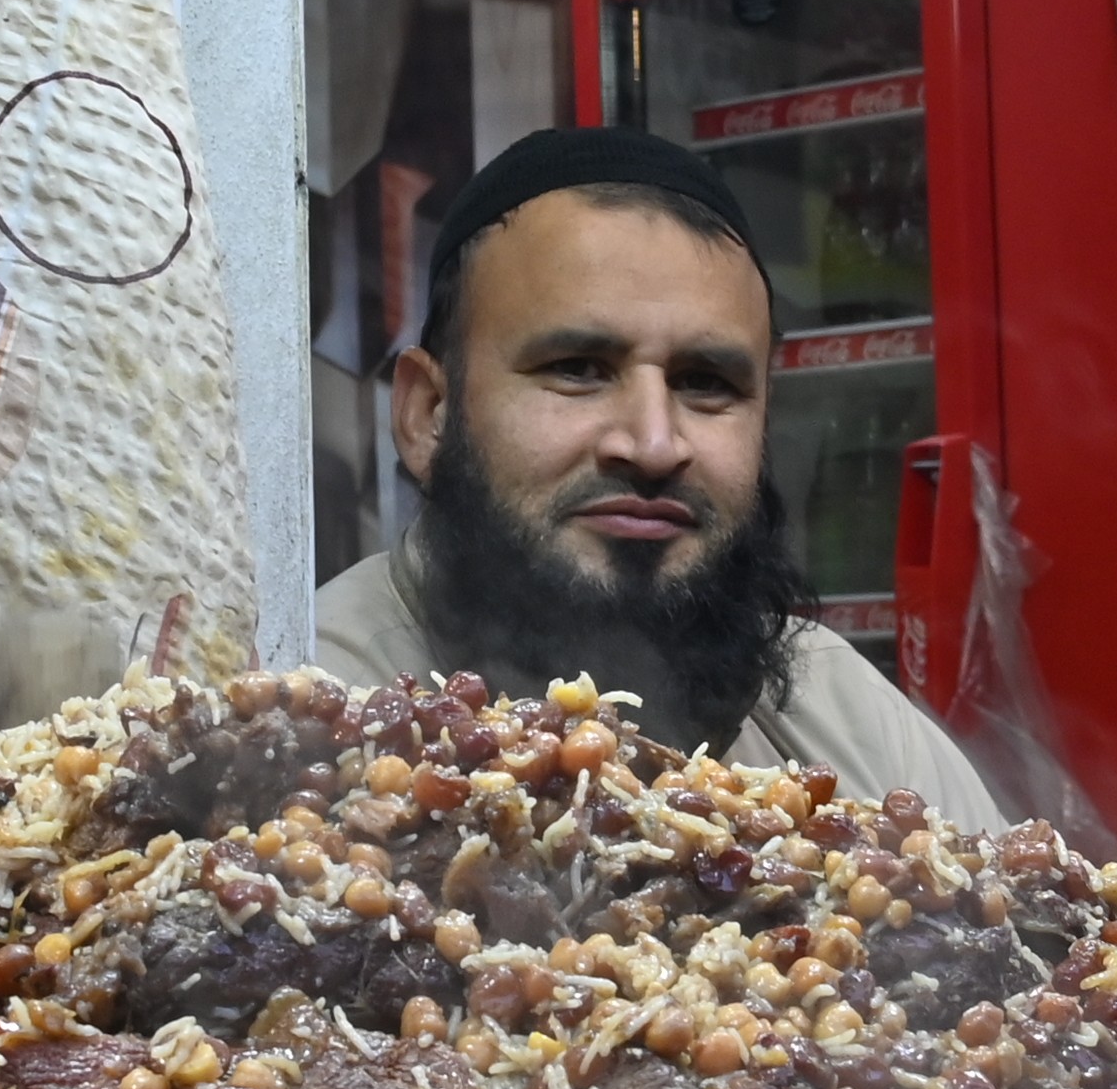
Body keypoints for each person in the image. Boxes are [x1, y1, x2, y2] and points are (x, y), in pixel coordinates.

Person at [313, 128, 1006, 828]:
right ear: (428, 413)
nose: (651, 445)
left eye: (706, 384)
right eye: (577, 369)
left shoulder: (845, 719)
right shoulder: (313, 720)